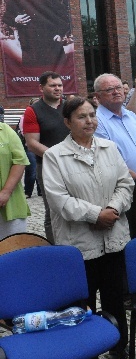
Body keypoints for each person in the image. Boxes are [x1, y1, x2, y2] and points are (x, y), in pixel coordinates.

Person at [42, 97, 133, 359]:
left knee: (115, 298)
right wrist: (96, 215)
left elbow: (125, 184)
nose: (90, 121)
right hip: (79, 244)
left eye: (92, 115)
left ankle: (119, 347)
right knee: (82, 303)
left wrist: (113, 210)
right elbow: (60, 201)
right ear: (67, 122)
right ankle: (85, 349)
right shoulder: (54, 156)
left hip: (114, 238)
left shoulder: (109, 147)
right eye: (82, 117)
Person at [94, 73, 136, 238]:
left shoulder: (131, 116)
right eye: (109, 89)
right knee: (130, 236)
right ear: (98, 96)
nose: (116, 92)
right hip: (126, 188)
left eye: (119, 87)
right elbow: (110, 160)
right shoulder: (97, 122)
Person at [23, 71, 68, 242]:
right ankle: (55, 248)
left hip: (76, 163)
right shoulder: (33, 111)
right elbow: (32, 143)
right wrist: (58, 156)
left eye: (60, 85)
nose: (57, 89)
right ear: (41, 88)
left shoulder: (69, 106)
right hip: (49, 166)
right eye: (53, 85)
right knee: (53, 211)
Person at [1, 0, 70, 67]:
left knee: (54, 73)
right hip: (29, 44)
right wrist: (15, 19)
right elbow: (6, 18)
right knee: (32, 74)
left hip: (51, 42)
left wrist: (60, 34)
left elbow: (63, 14)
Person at [0, 118, 30, 239]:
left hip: (9, 202)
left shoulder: (5, 130)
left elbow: (20, 160)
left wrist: (6, 192)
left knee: (13, 248)